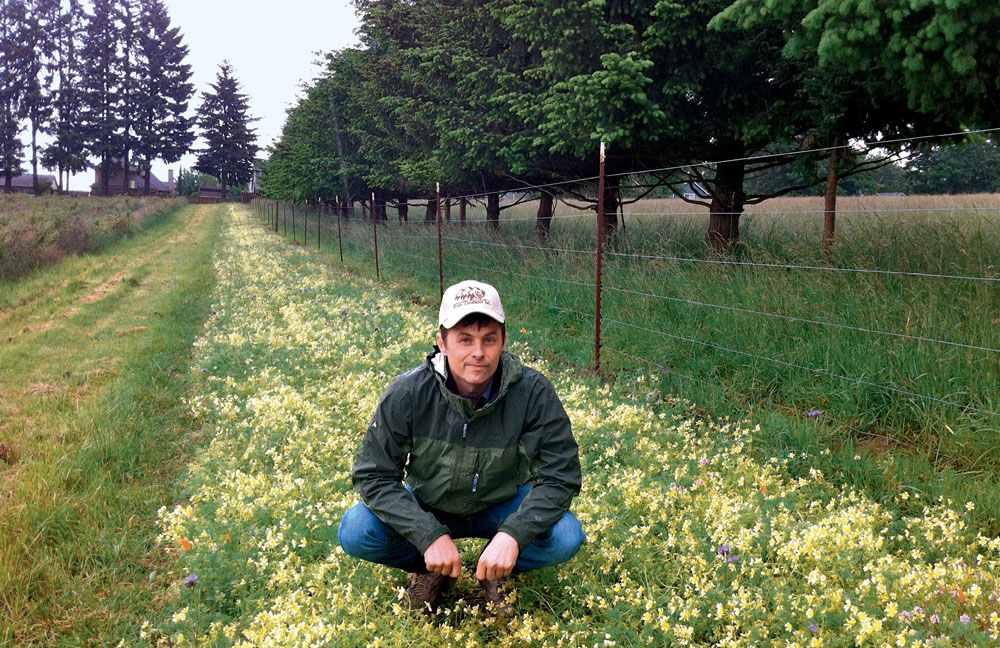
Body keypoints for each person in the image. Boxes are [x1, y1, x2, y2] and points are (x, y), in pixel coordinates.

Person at [338, 279, 585, 614]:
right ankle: (431, 569)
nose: (478, 353)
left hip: (502, 504)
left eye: (489, 340)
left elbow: (561, 477)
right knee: (357, 530)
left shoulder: (533, 392)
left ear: (504, 341)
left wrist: (513, 535)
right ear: (442, 342)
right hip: (432, 503)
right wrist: (427, 535)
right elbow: (374, 476)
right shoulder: (408, 393)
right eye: (464, 340)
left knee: (566, 536)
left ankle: (498, 571)